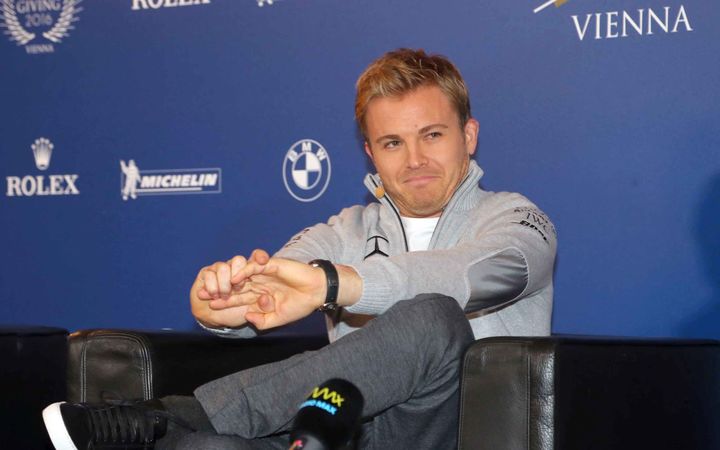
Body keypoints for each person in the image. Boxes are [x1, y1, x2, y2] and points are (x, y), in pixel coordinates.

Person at [43, 48, 557, 449]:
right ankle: (183, 429)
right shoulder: (343, 231)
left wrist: (336, 284)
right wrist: (225, 309)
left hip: (442, 435)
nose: (415, 159)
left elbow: (477, 275)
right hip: (340, 435)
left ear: (469, 135)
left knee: (434, 317)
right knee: (205, 448)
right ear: (371, 153)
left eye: (433, 135)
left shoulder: (517, 222)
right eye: (393, 143)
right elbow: (276, 283)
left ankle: (173, 415)